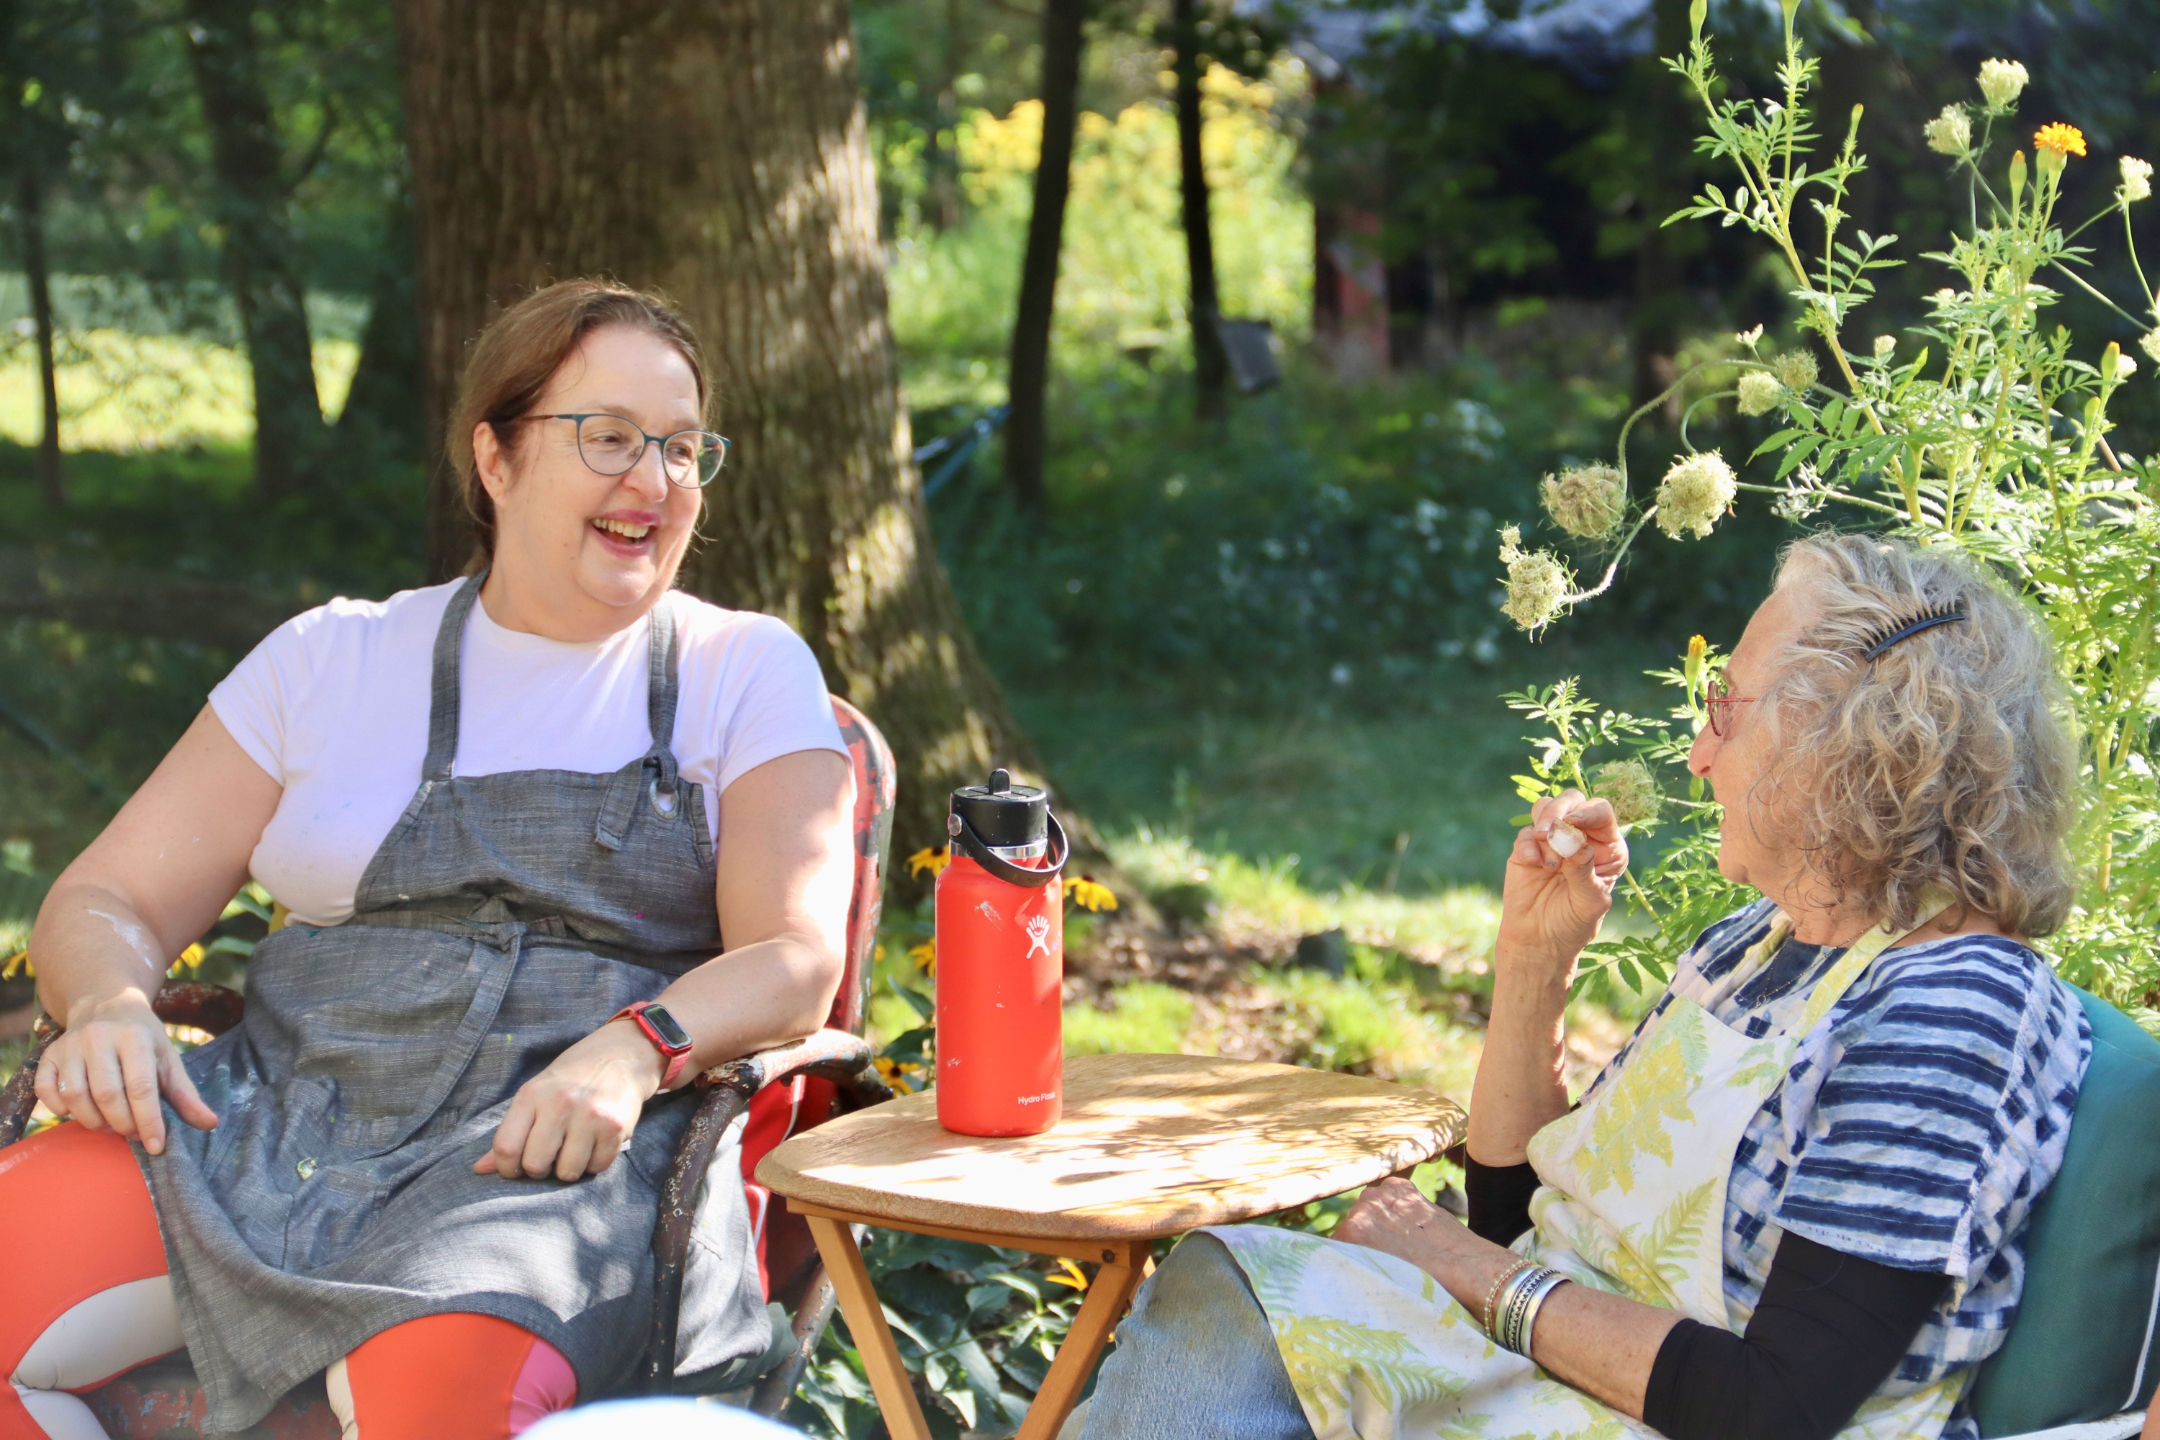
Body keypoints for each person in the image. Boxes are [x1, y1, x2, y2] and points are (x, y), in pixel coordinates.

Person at [0, 280, 858, 1440]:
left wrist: (634, 1047)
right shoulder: (332, 660)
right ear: (495, 457)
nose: (654, 483)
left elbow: (795, 955)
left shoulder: (742, 669)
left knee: (437, 1395)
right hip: (266, 1127)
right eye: (609, 438)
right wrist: (108, 1002)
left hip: (543, 1167)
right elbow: (106, 896)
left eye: (680, 448)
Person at [1081, 533, 2090, 1440]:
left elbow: (1775, 1409)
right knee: (1227, 1292)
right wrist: (1536, 960)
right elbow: (1524, 1222)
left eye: (1725, 709)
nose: (1699, 757)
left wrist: (1461, 1267)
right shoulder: (1757, 946)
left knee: (1229, 1300)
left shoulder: (1949, 1009)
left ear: (1845, 744)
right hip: (1561, 1394)